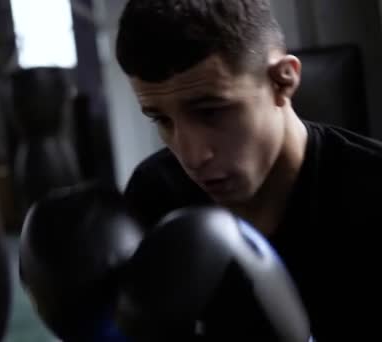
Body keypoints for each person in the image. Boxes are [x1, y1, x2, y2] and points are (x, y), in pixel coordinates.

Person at [115, 0, 382, 340]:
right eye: (162, 120)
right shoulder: (156, 193)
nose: (193, 156)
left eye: (211, 112)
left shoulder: (374, 195)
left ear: (282, 81)